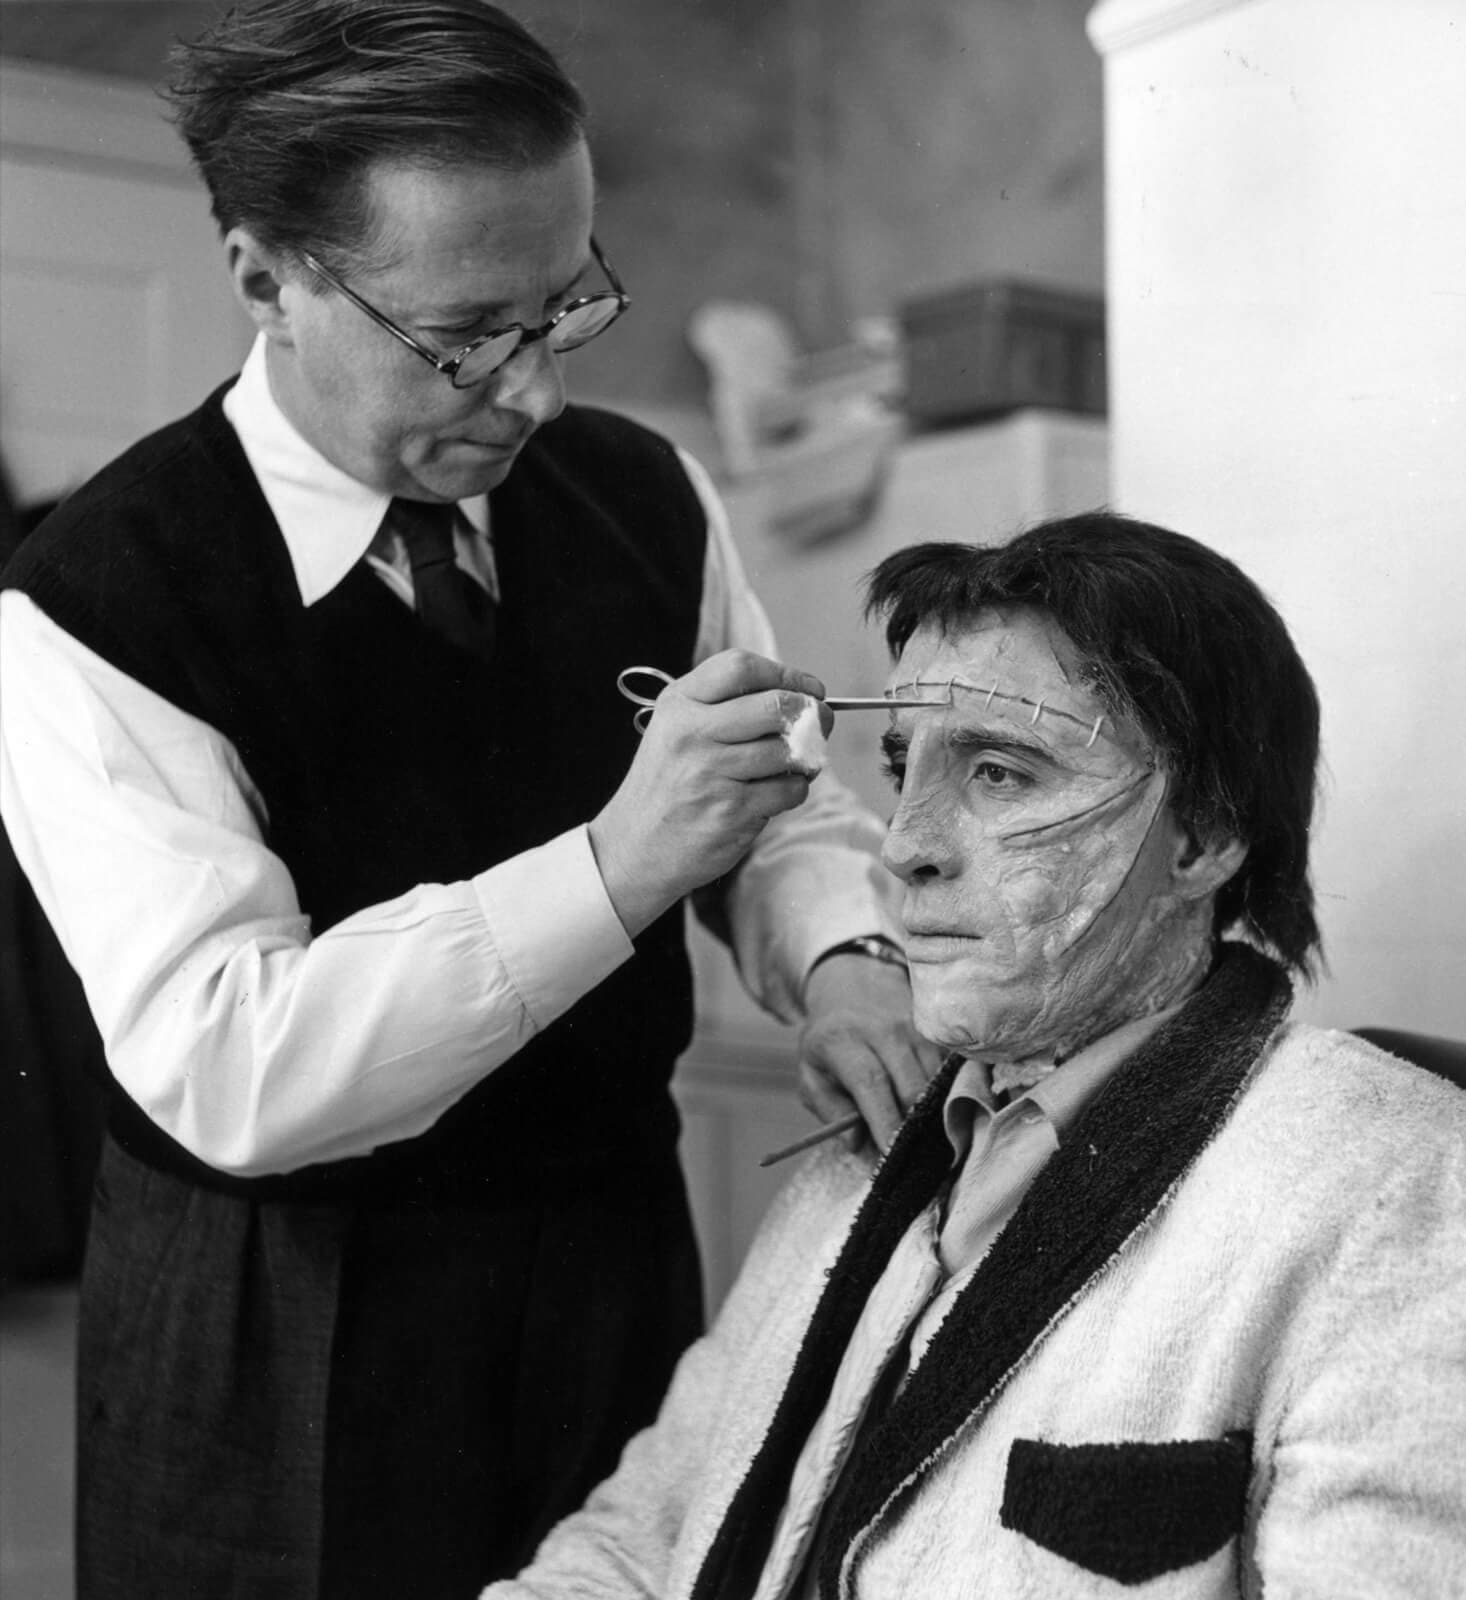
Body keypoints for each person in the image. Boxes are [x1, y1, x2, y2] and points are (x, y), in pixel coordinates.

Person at [0, 3, 942, 1595]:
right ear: (264, 277)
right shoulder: (95, 601)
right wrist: (614, 867)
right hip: (287, 1307)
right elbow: (234, 1060)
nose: (535, 397)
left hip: (610, 1257)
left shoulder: (646, 492)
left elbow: (767, 797)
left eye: (566, 305)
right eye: (465, 337)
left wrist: (842, 960)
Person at [482, 513, 1466, 1600]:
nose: (905, 843)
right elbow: (641, 1542)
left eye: (1001, 772)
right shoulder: (861, 1155)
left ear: (1201, 837)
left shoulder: (1401, 1193)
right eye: (899, 767)